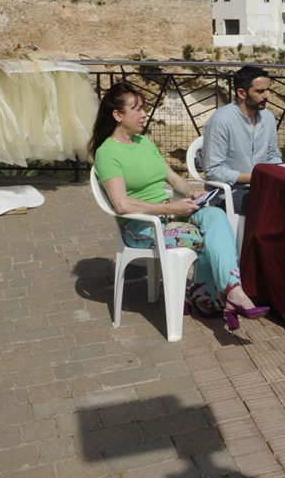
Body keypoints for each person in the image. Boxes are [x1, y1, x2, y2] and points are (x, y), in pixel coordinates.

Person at [91, 82, 268, 331]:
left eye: (144, 108)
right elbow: (121, 204)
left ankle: (227, 292)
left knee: (215, 216)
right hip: (140, 226)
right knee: (205, 236)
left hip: (167, 215)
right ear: (118, 115)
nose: (144, 114)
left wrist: (193, 193)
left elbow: (172, 178)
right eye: (137, 109)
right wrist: (172, 209)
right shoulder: (107, 153)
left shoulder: (143, 142)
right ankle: (208, 296)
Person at [201, 66, 282, 214]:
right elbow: (213, 170)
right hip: (228, 193)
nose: (267, 95)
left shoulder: (268, 118)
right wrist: (254, 177)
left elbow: (272, 155)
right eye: (260, 91)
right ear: (242, 93)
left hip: (261, 186)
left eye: (267, 90)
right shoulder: (221, 121)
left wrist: (278, 171)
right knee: (271, 208)